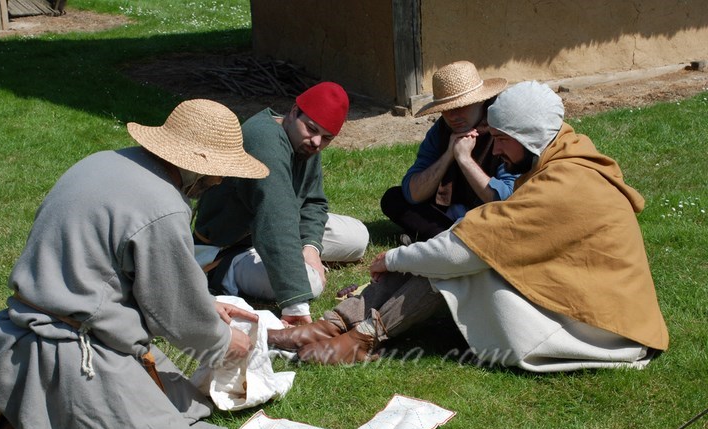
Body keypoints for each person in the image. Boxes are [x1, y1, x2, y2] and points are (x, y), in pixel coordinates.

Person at [0, 99, 270, 429]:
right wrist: (222, 341)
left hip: (21, 325)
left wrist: (206, 302)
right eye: (217, 173)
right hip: (73, 350)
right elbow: (173, 312)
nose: (217, 182)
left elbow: (111, 266)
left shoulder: (105, 161)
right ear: (198, 164)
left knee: (181, 403)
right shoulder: (163, 205)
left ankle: (22, 414)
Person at [268, 81, 669, 372]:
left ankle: (364, 337)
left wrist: (394, 256)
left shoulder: (568, 182)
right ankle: (332, 325)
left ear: (527, 137)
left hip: (603, 329)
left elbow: (467, 249)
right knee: (450, 250)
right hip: (571, 295)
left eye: (500, 140)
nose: (494, 149)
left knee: (461, 264)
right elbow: (418, 195)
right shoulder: (558, 157)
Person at [193, 82, 370, 326]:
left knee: (357, 237)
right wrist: (295, 304)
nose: (317, 142)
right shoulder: (265, 141)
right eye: (311, 129)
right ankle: (226, 273)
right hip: (230, 248)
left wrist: (310, 249)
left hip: (277, 228)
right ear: (293, 111)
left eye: (327, 138)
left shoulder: (304, 142)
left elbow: (313, 202)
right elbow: (275, 218)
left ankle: (291, 258)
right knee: (309, 284)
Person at [381, 61, 518, 243]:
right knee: (393, 198)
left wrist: (465, 160)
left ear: (481, 101)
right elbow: (412, 193)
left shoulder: (503, 129)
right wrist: (448, 156)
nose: (453, 116)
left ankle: (440, 238)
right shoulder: (440, 131)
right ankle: (455, 239)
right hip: (450, 211)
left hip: (491, 214)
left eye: (460, 107)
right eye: (446, 110)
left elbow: (507, 199)